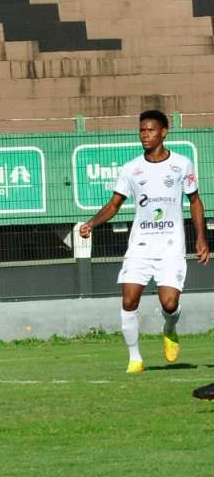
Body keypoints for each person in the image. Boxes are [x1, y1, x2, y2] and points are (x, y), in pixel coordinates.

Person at [79, 109, 208, 374]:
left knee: (169, 303)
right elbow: (114, 204)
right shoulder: (131, 169)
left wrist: (201, 238)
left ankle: (169, 330)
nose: (144, 135)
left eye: (150, 130)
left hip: (171, 244)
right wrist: (92, 223)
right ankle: (135, 358)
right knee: (129, 300)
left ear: (163, 132)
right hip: (141, 244)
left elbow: (195, 201)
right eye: (141, 130)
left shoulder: (181, 164)